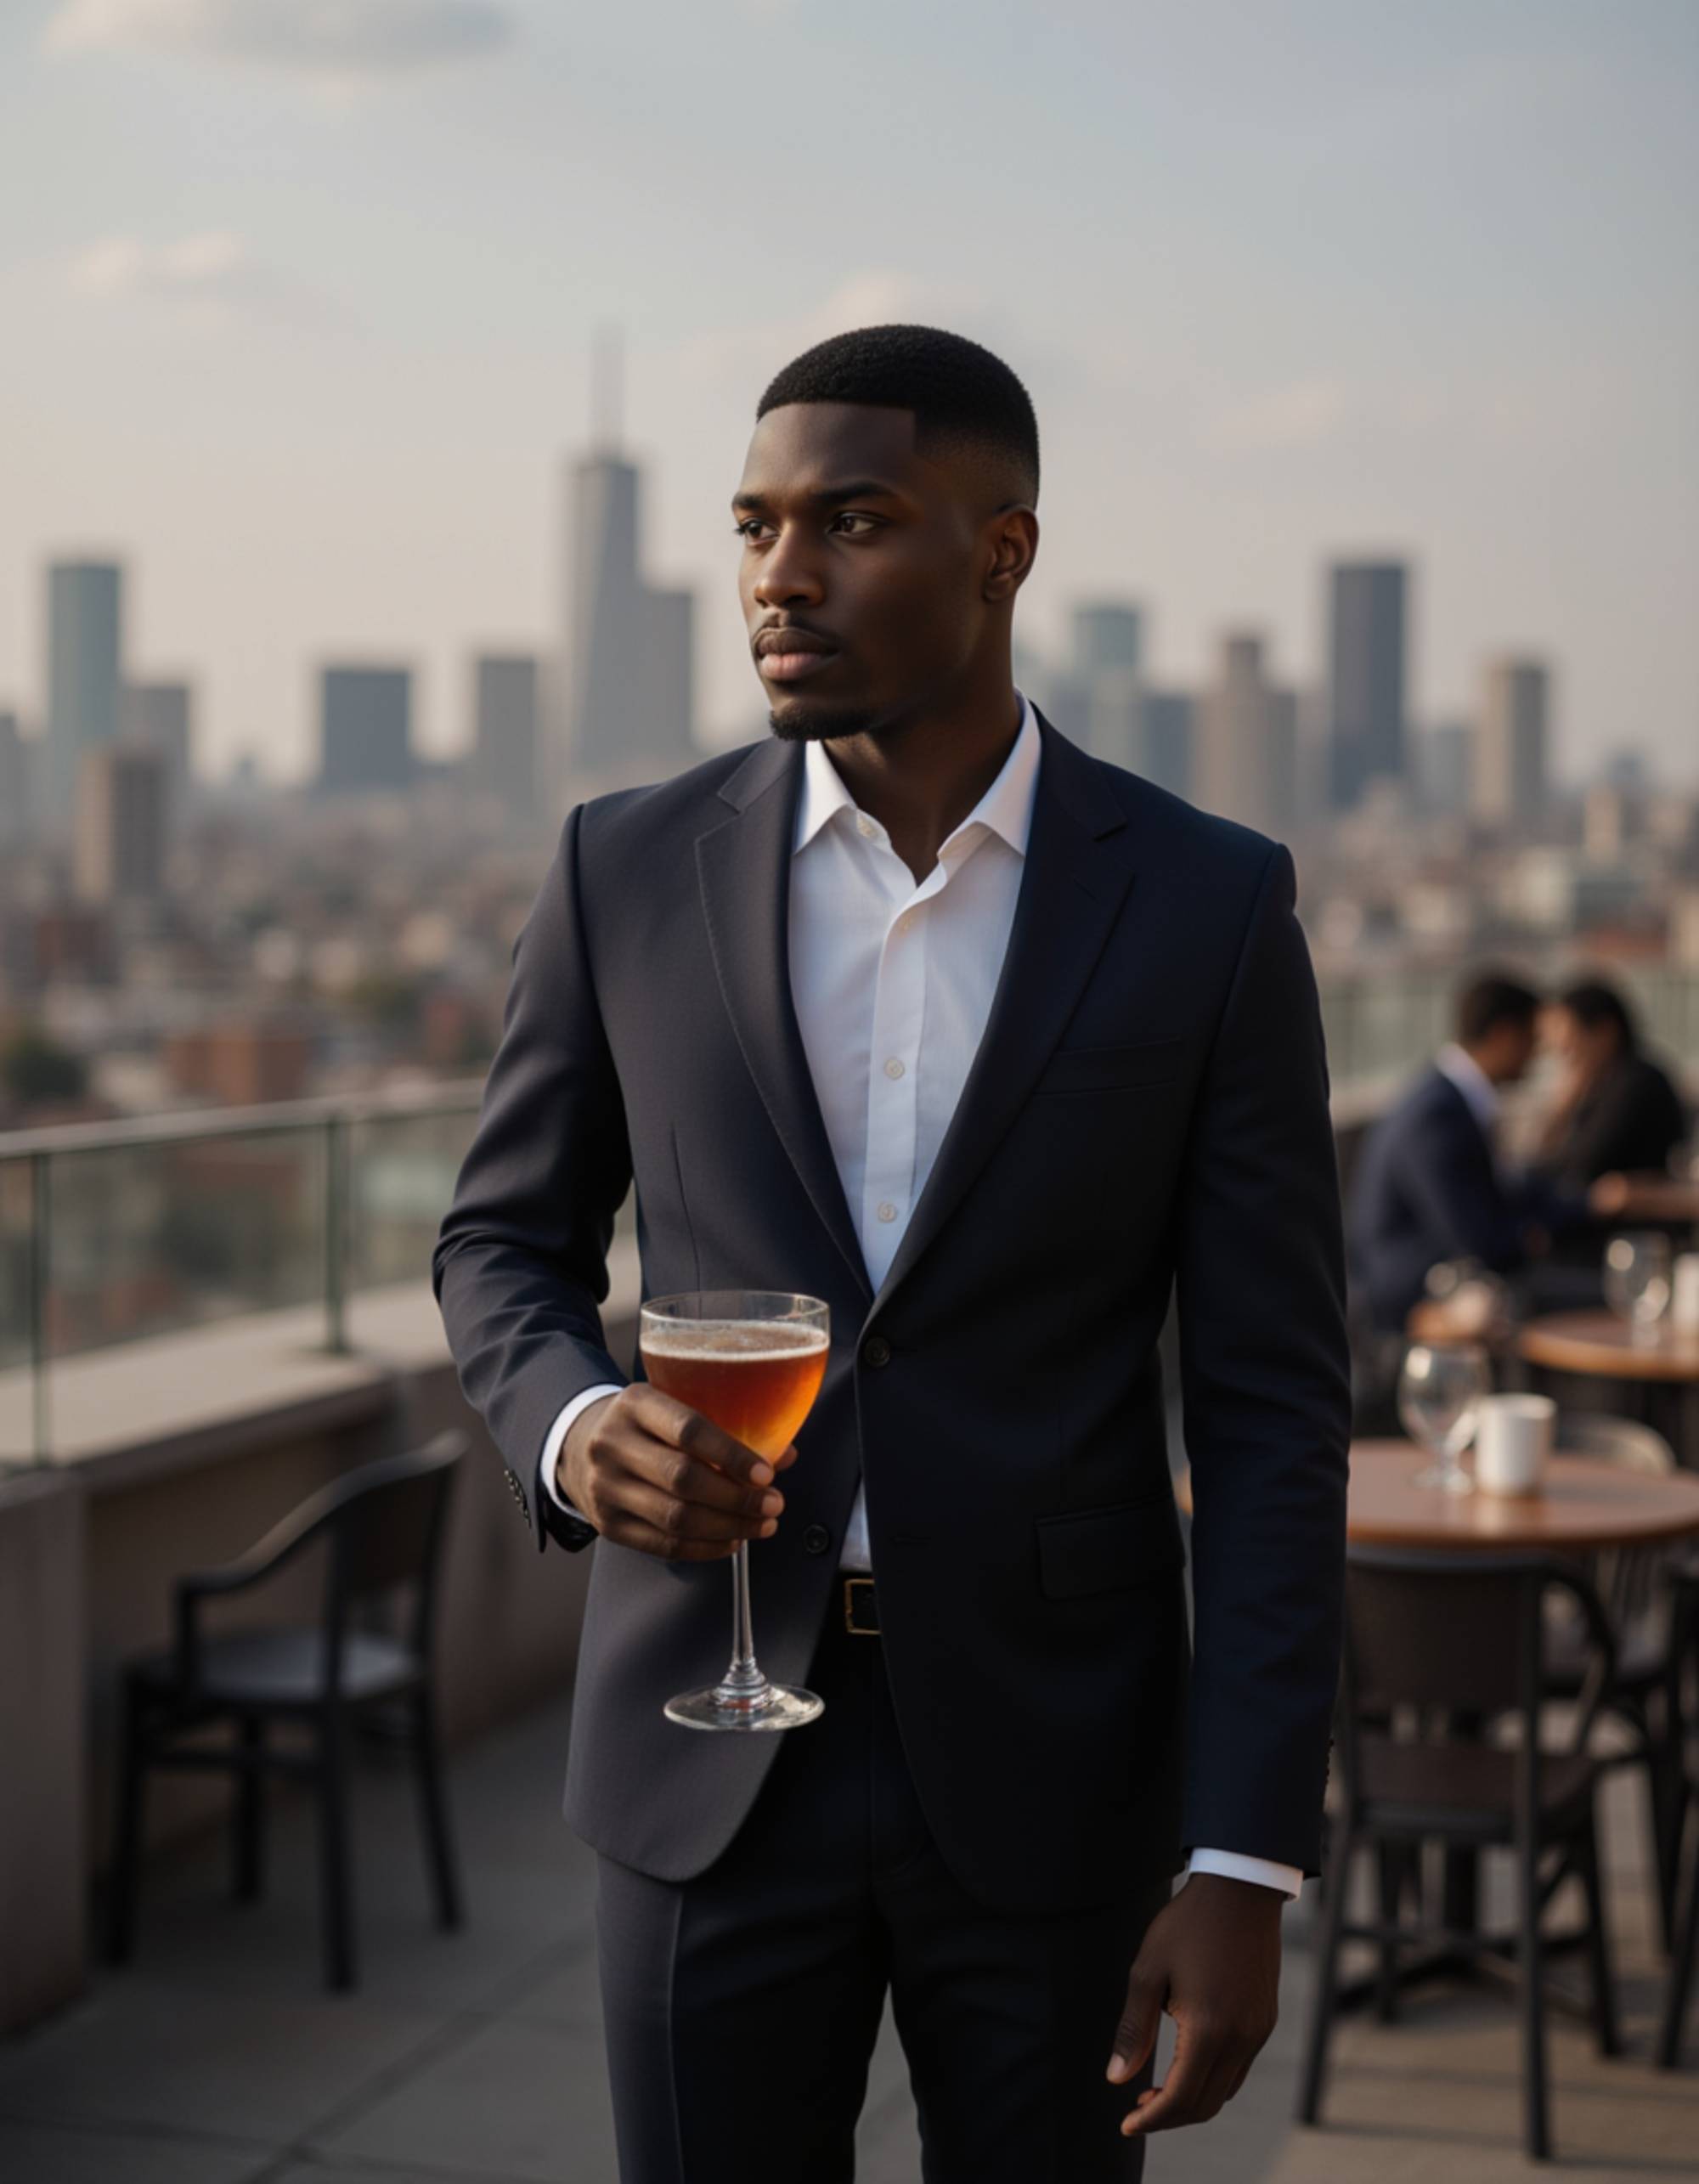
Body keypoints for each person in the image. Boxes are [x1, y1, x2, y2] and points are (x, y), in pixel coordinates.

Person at [433, 324, 1350, 2182]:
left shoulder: (1205, 902)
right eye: (756, 525)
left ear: (1002, 549)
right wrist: (568, 1424)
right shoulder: (624, 866)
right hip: (701, 1752)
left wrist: (1243, 1853)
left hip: (1056, 1777)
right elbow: (499, 1242)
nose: (780, 574)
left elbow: (1268, 1410)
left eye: (851, 519)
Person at [1532, 976, 1688, 1192]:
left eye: (1570, 1041)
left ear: (1605, 1031)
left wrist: (1564, 1107)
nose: (1564, 1054)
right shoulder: (1602, 1084)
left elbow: (1584, 1167)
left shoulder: (1637, 1083)